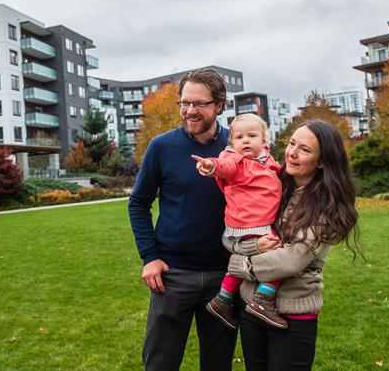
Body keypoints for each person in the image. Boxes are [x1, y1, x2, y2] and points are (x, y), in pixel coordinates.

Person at [225, 120, 360, 371]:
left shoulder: (327, 206)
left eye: (304, 150)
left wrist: (241, 264)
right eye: (291, 144)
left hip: (293, 314)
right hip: (250, 308)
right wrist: (248, 247)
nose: (292, 153)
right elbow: (240, 233)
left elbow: (291, 261)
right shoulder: (272, 186)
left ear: (321, 161)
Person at [128, 68, 237, 371]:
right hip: (172, 276)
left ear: (218, 105)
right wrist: (150, 257)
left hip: (225, 276)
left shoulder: (237, 147)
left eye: (200, 103)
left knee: (218, 364)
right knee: (160, 363)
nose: (190, 111)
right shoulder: (162, 147)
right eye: (185, 103)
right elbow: (138, 203)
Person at [191, 113, 288, 330]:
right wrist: (210, 166)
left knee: (245, 258)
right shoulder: (238, 160)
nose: (245, 141)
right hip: (249, 222)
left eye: (252, 136)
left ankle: (223, 298)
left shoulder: (267, 162)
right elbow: (225, 166)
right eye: (239, 137)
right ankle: (264, 298)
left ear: (264, 141)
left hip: (252, 221)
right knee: (278, 255)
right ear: (232, 142)